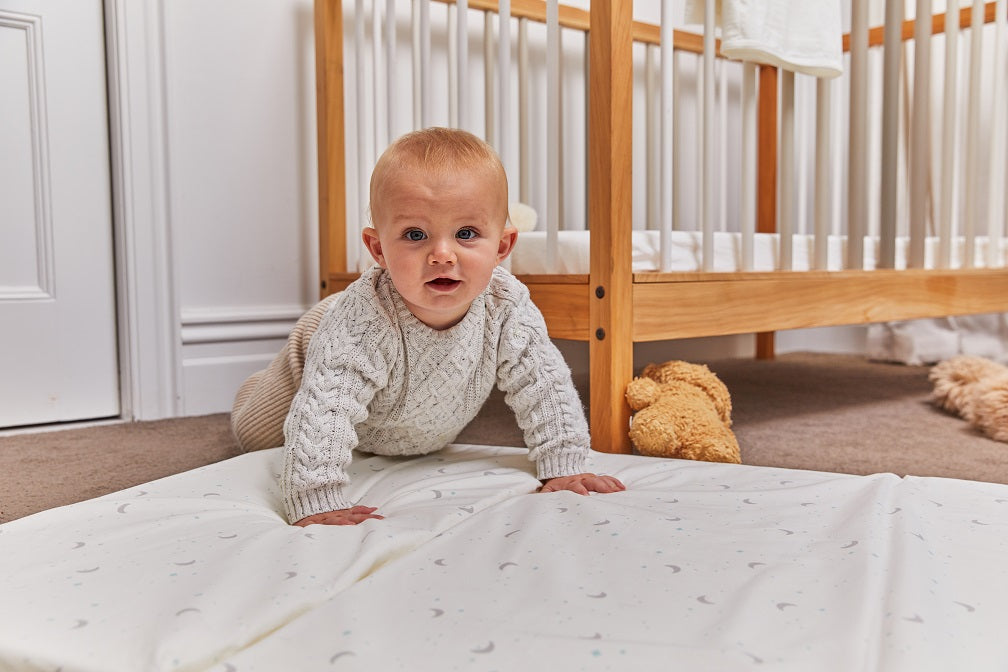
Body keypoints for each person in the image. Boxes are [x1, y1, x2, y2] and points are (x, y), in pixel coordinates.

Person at [260, 127, 624, 526]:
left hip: (409, 425)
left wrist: (565, 463)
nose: (442, 255)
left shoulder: (506, 304)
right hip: (292, 383)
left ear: (502, 246)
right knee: (263, 444)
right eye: (415, 235)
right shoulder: (363, 321)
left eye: (466, 234)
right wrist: (316, 498)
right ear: (378, 249)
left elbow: (543, 383)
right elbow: (326, 406)